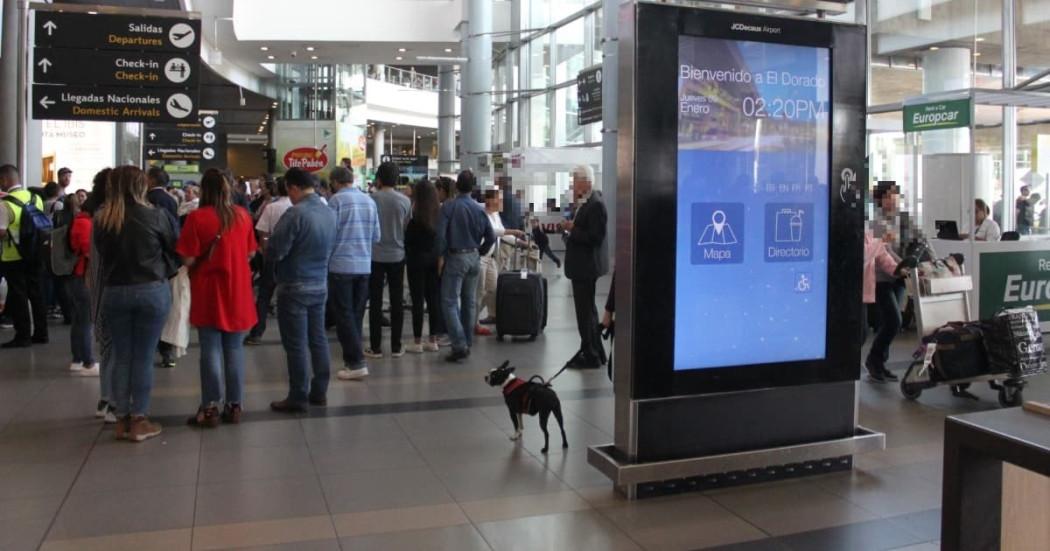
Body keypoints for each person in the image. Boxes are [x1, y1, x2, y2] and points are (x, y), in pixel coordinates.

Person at [94, 165, 177, 442]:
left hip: (115, 292)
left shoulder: (103, 219)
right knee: (143, 357)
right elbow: (172, 248)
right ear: (141, 186)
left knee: (121, 356)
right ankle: (139, 420)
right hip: (151, 290)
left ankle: (121, 420)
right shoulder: (156, 215)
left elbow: (102, 254)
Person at [177, 169, 258, 427]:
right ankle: (234, 405)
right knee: (234, 350)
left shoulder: (196, 218)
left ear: (205, 190)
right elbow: (250, 254)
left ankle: (210, 406)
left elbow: (188, 258)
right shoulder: (243, 216)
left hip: (208, 290)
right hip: (238, 290)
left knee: (209, 350)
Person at [268, 168, 336, 413]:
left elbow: (277, 250)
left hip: (294, 285)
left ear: (294, 187)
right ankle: (319, 391)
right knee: (318, 339)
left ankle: (298, 396)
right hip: (320, 284)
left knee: (296, 344)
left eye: (288, 190)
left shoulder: (294, 214)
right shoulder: (330, 213)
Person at [436, 170, 495, 362]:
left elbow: (440, 236)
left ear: (457, 186)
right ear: (473, 188)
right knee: (469, 302)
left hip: (456, 257)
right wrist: (481, 251)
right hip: (474, 257)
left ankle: (459, 345)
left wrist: (442, 255)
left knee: (449, 301)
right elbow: (491, 236)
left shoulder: (449, 207)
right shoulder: (479, 209)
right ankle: (467, 342)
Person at [327, 167, 380, 381]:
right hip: (364, 265)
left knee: (344, 315)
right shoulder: (369, 201)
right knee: (356, 314)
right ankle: (353, 359)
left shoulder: (336, 201)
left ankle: (356, 361)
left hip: (341, 265)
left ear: (335, 182)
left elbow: (329, 234)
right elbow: (376, 236)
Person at [562, 165, 609, 369]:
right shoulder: (585, 202)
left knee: (585, 313)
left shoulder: (595, 204)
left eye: (575, 181)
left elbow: (595, 237)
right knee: (589, 311)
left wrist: (573, 229)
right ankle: (595, 351)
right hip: (583, 266)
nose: (573, 185)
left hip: (585, 267)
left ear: (586, 182)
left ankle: (590, 354)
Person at [0, 164, 49, 348]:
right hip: (35, 253)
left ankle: (23, 336)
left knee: (19, 295)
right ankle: (41, 333)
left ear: (5, 180)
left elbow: (2, 232)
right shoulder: (35, 198)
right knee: (36, 293)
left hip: (13, 257)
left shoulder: (5, 204)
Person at [366, 162, 411, 358]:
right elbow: (406, 227)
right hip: (397, 255)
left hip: (375, 255)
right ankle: (396, 346)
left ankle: (375, 347)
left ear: (379, 178)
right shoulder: (405, 201)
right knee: (396, 301)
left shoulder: (371, 199)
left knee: (375, 301)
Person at [245, 178, 293, 345]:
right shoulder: (296, 207)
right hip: (294, 258)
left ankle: (257, 332)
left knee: (265, 295)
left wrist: (266, 251)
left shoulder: (272, 207)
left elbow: (263, 233)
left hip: (273, 257)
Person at [405, 179, 443, 354]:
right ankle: (433, 340)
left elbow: (408, 241)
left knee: (417, 300)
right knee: (433, 299)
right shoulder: (439, 216)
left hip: (416, 262)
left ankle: (417, 341)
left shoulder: (414, 218)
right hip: (434, 261)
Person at [478, 189, 526, 328]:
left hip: (491, 257)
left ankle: (492, 315)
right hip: (481, 257)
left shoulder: (496, 214)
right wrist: (514, 231)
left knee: (492, 288)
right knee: (480, 291)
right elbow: (493, 231)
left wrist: (520, 243)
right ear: (490, 200)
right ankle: (472, 321)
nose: (501, 203)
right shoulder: (482, 212)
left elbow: (502, 233)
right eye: (498, 199)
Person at [863, 232, 904, 382]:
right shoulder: (861, 229)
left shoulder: (870, 231)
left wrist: (899, 270)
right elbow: (865, 255)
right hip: (867, 285)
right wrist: (881, 242)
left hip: (871, 287)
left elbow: (883, 257)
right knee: (860, 334)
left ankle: (876, 362)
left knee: (892, 323)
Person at [65, 192, 98, 376]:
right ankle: (88, 361)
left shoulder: (79, 221)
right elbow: (89, 251)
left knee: (79, 320)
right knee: (86, 321)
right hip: (83, 276)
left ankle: (77, 359)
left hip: (78, 275)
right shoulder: (85, 224)